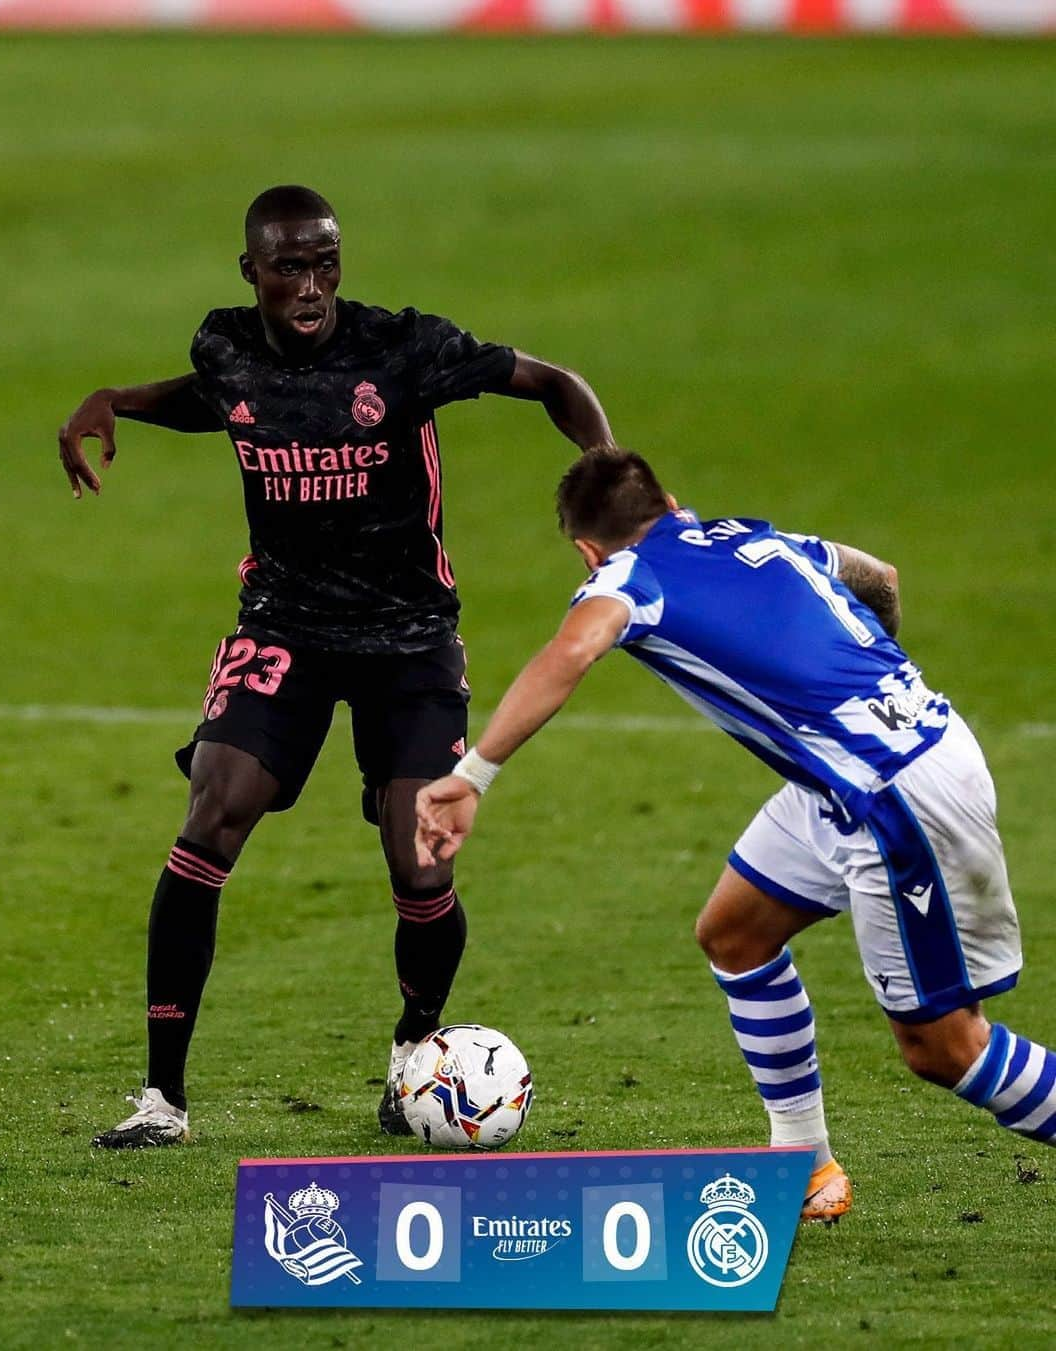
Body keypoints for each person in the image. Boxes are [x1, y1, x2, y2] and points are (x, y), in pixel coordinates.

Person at [57, 185, 614, 1149]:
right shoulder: (225, 345)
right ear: (252, 274)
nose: (310, 284)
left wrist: (611, 486)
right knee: (209, 815)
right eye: (288, 266)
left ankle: (413, 1047)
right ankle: (162, 1099)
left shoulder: (404, 349)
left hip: (409, 636)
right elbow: (223, 401)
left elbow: (555, 382)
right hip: (285, 626)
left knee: (420, 854)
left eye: (324, 262)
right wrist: (121, 403)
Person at [415, 447, 1054, 1221]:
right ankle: (805, 1167)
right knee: (734, 932)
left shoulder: (624, 578)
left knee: (945, 1047)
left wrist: (474, 773)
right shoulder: (762, 538)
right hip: (882, 759)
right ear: (670, 502)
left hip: (892, 797)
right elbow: (881, 578)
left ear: (587, 551)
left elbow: (573, 649)